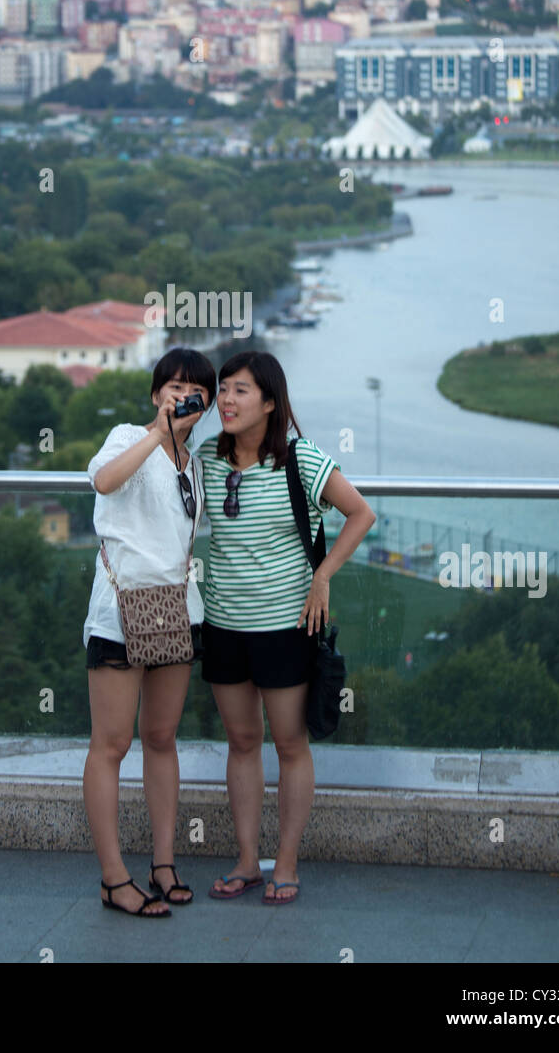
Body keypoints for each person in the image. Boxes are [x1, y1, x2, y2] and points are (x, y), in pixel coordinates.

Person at [194, 350, 376, 905]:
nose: (227, 400)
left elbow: (361, 513)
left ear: (270, 402)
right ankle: (248, 862)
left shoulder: (301, 459)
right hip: (224, 625)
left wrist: (323, 576)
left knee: (291, 745)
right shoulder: (208, 457)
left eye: (241, 390)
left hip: (286, 626)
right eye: (224, 389)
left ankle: (287, 863)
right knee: (242, 742)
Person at [82, 346, 216, 917]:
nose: (182, 395)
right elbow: (104, 481)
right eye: (173, 385)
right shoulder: (126, 436)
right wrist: (157, 434)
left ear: (206, 404)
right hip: (120, 614)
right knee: (111, 745)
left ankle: (164, 863)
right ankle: (114, 878)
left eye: (195, 389)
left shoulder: (196, 463)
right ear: (157, 393)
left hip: (177, 613)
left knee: (161, 738)